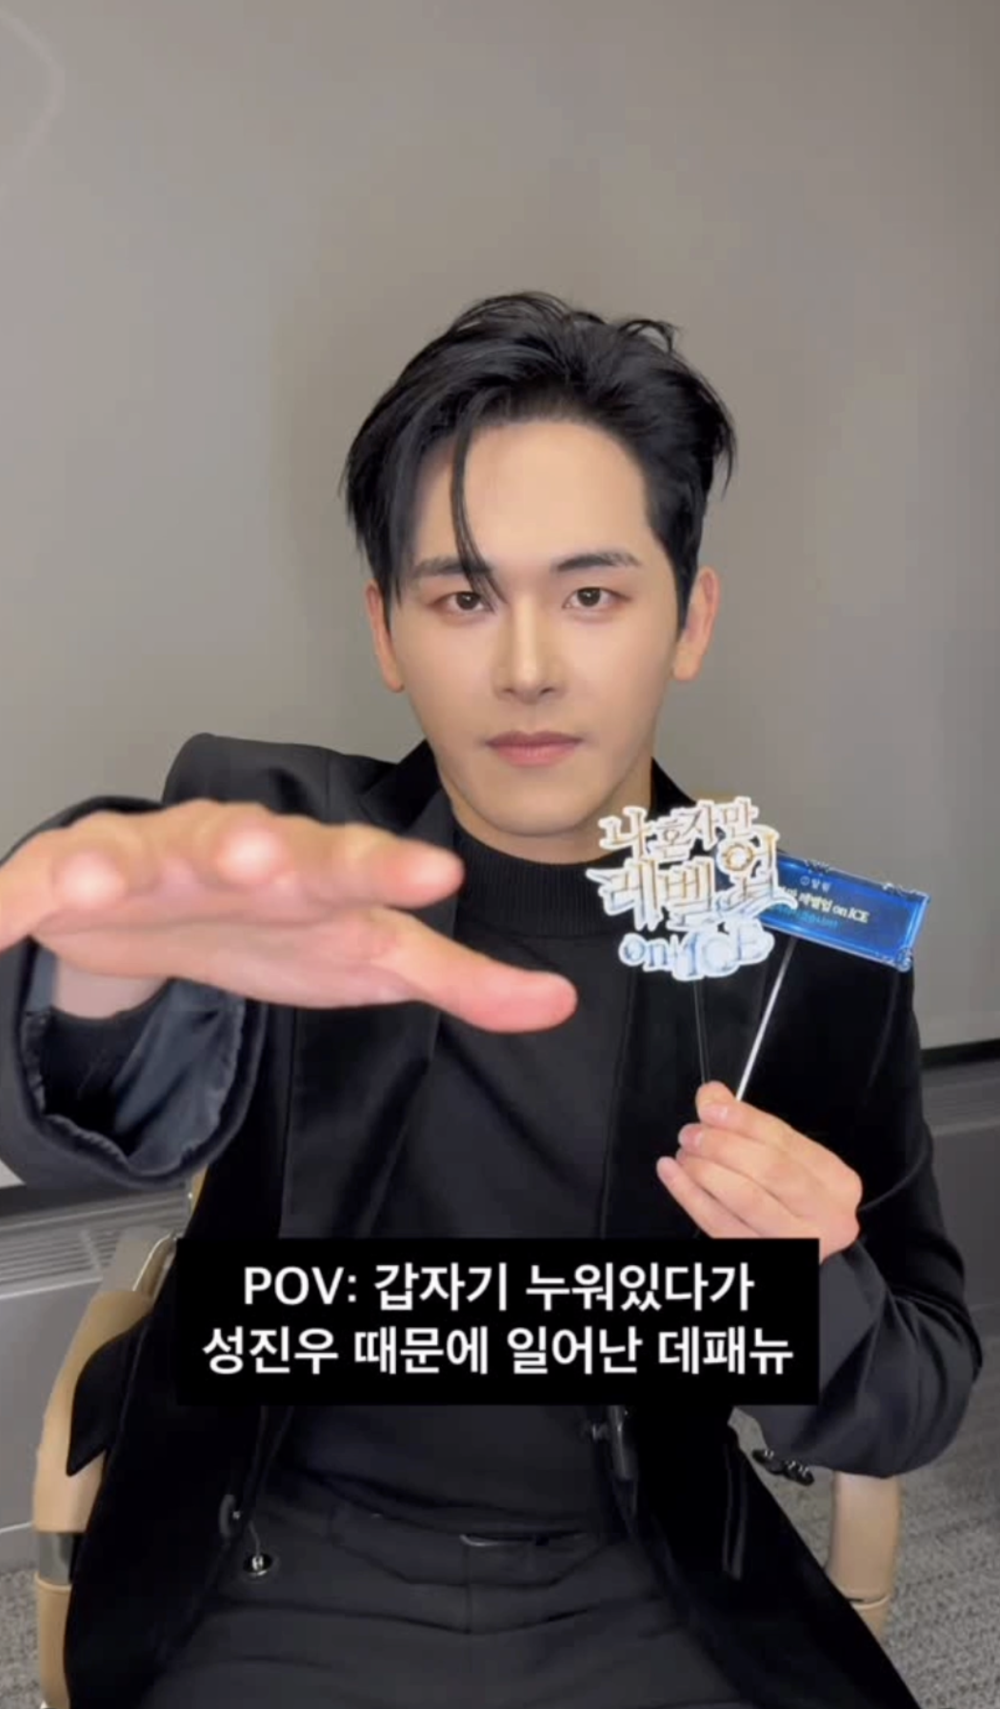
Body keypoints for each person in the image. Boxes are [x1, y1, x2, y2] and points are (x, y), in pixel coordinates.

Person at [0, 293, 981, 1709]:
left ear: (689, 619)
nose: (527, 668)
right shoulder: (286, 847)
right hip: (270, 1565)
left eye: (592, 596)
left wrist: (813, 1276)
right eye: (463, 598)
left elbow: (915, 1394)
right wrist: (87, 980)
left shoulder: (797, 954)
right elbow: (77, 1119)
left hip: (646, 1575)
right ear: (388, 630)